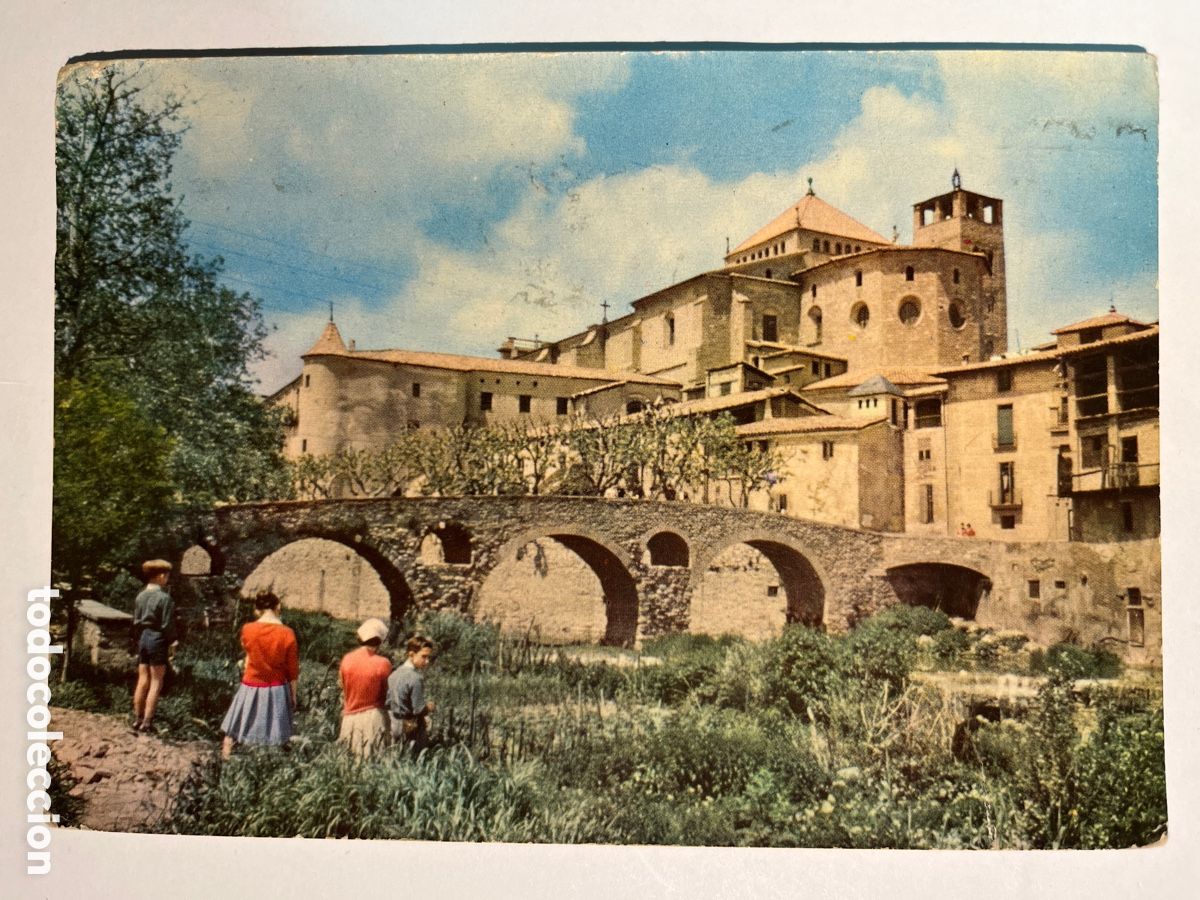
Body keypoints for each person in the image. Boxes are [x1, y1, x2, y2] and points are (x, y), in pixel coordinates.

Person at [220, 591, 299, 759]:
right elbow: (292, 670)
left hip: (251, 683)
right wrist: (293, 695)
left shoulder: (247, 629)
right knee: (276, 732)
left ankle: (226, 756)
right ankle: (270, 763)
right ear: (278, 607)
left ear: (258, 609)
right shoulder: (287, 633)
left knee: (237, 724)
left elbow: (248, 655)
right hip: (277, 687)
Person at [132, 559, 177, 734]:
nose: (167, 579)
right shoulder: (164, 598)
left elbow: (135, 620)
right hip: (157, 638)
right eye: (166, 576)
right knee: (156, 681)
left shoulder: (140, 596)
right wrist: (173, 641)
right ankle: (148, 722)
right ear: (160, 576)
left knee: (142, 680)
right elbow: (167, 624)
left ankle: (137, 718)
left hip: (143, 637)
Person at [338, 618, 393, 759]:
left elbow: (342, 685)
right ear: (379, 640)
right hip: (373, 717)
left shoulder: (347, 659)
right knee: (372, 761)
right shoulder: (383, 663)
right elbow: (386, 693)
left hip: (349, 717)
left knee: (349, 762)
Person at [387, 635, 436, 753]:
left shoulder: (395, 673)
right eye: (424, 657)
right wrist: (429, 707)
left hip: (391, 722)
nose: (427, 661)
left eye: (429, 657)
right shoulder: (415, 678)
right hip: (409, 726)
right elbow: (418, 709)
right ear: (411, 654)